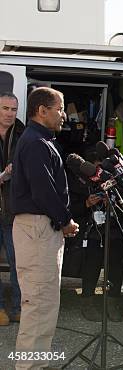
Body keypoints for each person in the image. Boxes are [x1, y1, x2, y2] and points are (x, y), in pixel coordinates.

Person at [11, 87, 79, 369]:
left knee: (45, 305)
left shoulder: (41, 140)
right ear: (42, 110)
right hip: (37, 227)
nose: (64, 115)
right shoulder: (36, 142)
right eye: (59, 108)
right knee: (38, 305)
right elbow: (43, 191)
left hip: (40, 228)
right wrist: (65, 220)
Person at [67, 147, 123, 322]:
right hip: (93, 231)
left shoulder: (116, 178)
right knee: (91, 266)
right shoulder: (79, 183)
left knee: (115, 267)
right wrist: (87, 203)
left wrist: (113, 204)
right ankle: (87, 302)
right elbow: (70, 208)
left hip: (115, 229)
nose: (96, 175)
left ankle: (113, 302)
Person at [0, 92, 25, 325]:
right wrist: (3, 175)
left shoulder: (22, 133)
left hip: (11, 210)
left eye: (13, 109)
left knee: (18, 262)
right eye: (5, 108)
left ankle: (18, 308)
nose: (9, 113)